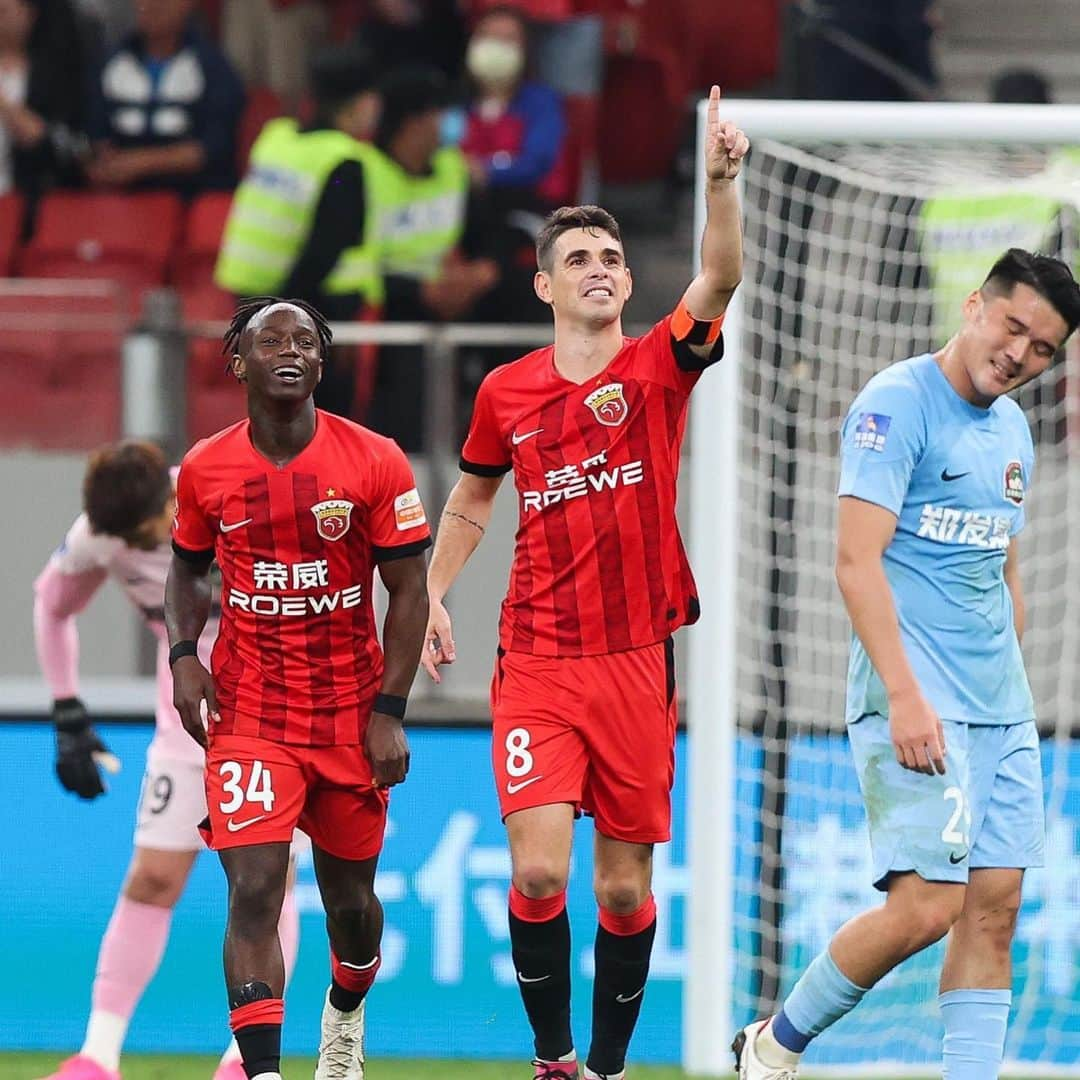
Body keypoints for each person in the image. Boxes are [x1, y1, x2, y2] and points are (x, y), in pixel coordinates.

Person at [421, 86, 747, 1080]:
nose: (602, 269)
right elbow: (473, 500)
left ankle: (606, 1066)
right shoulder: (504, 392)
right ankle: (555, 1058)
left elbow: (720, 278)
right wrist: (434, 592)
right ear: (546, 289)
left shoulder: (658, 368)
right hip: (540, 662)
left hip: (637, 661)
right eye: (581, 259)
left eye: (611, 256)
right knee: (536, 867)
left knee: (618, 890)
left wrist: (722, 184)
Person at [733, 249, 1080, 1079]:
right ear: (974, 306)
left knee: (992, 916)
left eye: (1043, 349)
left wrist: (1011, 675)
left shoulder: (1014, 428)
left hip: (1001, 707)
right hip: (919, 702)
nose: (1020, 355)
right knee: (927, 907)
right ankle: (773, 1046)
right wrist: (905, 697)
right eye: (1013, 328)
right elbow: (856, 562)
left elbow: (1003, 563)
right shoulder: (895, 404)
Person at [166, 297, 431, 1080]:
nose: (291, 349)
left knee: (351, 908)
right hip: (251, 713)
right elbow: (185, 569)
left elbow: (408, 592)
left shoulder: (375, 460)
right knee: (253, 885)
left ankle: (344, 1016)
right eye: (271, 339)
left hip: (349, 715)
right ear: (239, 363)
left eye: (306, 340)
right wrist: (187, 656)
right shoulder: (208, 468)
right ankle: (265, 1072)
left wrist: (389, 710)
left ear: (323, 362)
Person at [32, 440, 300, 1080]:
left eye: (151, 524)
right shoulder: (102, 536)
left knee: (266, 880)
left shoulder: (227, 498)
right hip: (186, 720)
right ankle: (97, 1056)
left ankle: (244, 1059)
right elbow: (52, 605)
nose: (147, 539)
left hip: (274, 712)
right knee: (153, 876)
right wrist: (69, 712)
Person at [215, 44, 383, 417]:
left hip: (251, 304)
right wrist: (290, 317)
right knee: (320, 427)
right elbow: (325, 251)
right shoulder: (344, 160)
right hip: (312, 311)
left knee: (270, 421)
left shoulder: (275, 137)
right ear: (354, 104)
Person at [83, 0, 245, 193]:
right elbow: (95, 135)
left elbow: (215, 146)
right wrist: (103, 162)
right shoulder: (109, 63)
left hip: (191, 195)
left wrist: (142, 163)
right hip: (121, 200)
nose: (150, 5)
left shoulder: (214, 68)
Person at [460, 5, 569, 207]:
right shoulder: (456, 102)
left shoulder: (542, 102)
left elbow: (537, 163)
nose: (496, 47)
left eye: (507, 40)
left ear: (525, 49)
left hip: (523, 209)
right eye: (488, 37)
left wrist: (485, 171)